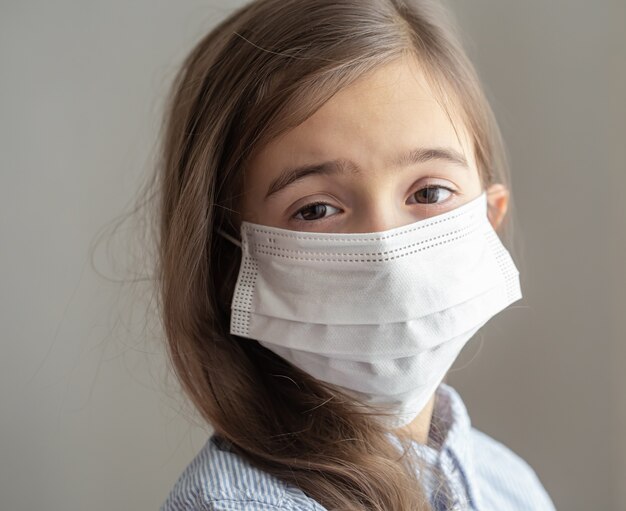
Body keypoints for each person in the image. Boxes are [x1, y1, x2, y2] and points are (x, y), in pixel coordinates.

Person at [155, 0, 557, 509]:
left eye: (429, 193)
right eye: (317, 208)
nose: (387, 253)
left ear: (488, 220)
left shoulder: (510, 485)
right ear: (230, 262)